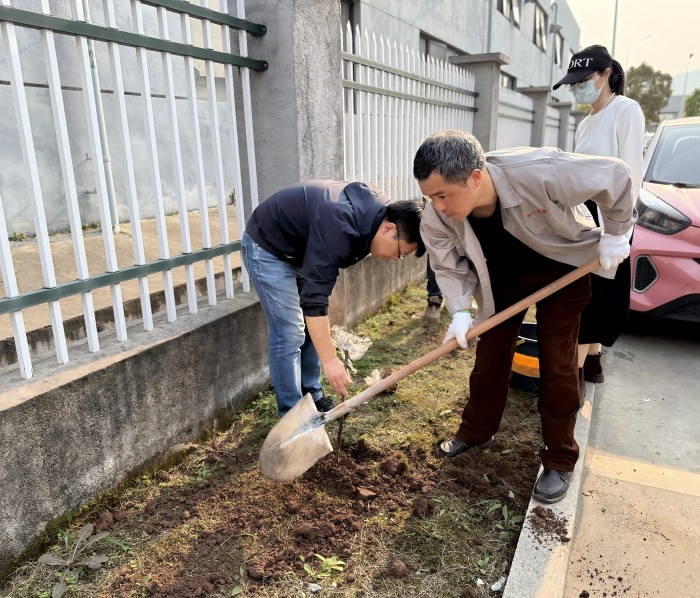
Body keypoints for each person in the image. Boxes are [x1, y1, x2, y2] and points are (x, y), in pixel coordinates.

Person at [413, 130, 635, 504]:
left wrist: (615, 233)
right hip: (502, 280)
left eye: (442, 194)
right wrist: (460, 311)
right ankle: (477, 431)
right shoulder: (438, 217)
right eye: (429, 196)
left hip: (563, 270)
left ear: (475, 177)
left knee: (558, 362)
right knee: (489, 359)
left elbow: (616, 175)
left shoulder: (539, 171)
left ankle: (560, 458)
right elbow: (446, 266)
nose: (437, 205)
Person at [242, 179, 425, 417]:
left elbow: (317, 292)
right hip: (267, 247)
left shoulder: (374, 217)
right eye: (400, 253)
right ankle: (293, 415)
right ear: (389, 229)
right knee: (290, 331)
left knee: (311, 328)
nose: (395, 259)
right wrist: (330, 361)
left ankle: (312, 395)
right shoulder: (340, 226)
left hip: (300, 249)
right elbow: (314, 302)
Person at [553, 45, 645, 386]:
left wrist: (618, 230)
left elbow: (631, 172)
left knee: (595, 297)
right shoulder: (585, 123)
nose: (579, 88)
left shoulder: (626, 110)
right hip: (587, 214)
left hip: (614, 214)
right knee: (590, 292)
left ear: (606, 75)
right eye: (574, 83)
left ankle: (571, 381)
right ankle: (592, 364)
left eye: (584, 80)